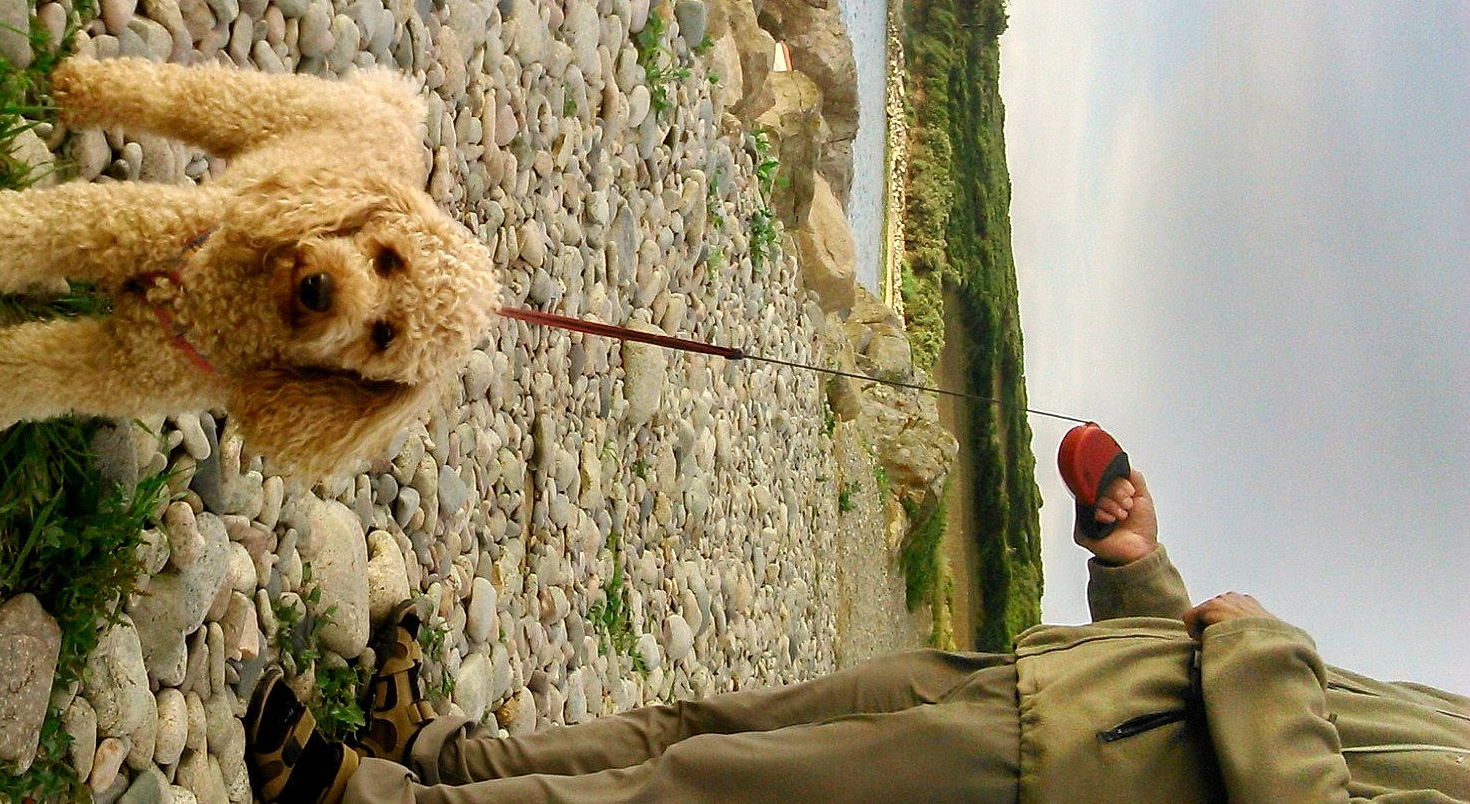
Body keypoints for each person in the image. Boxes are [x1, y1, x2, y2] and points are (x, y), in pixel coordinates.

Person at [246, 470, 1470, 804]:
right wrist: (1144, 577)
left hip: (1044, 785)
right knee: (704, 729)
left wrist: (1261, 650)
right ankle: (444, 754)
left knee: (695, 793)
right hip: (1040, 696)